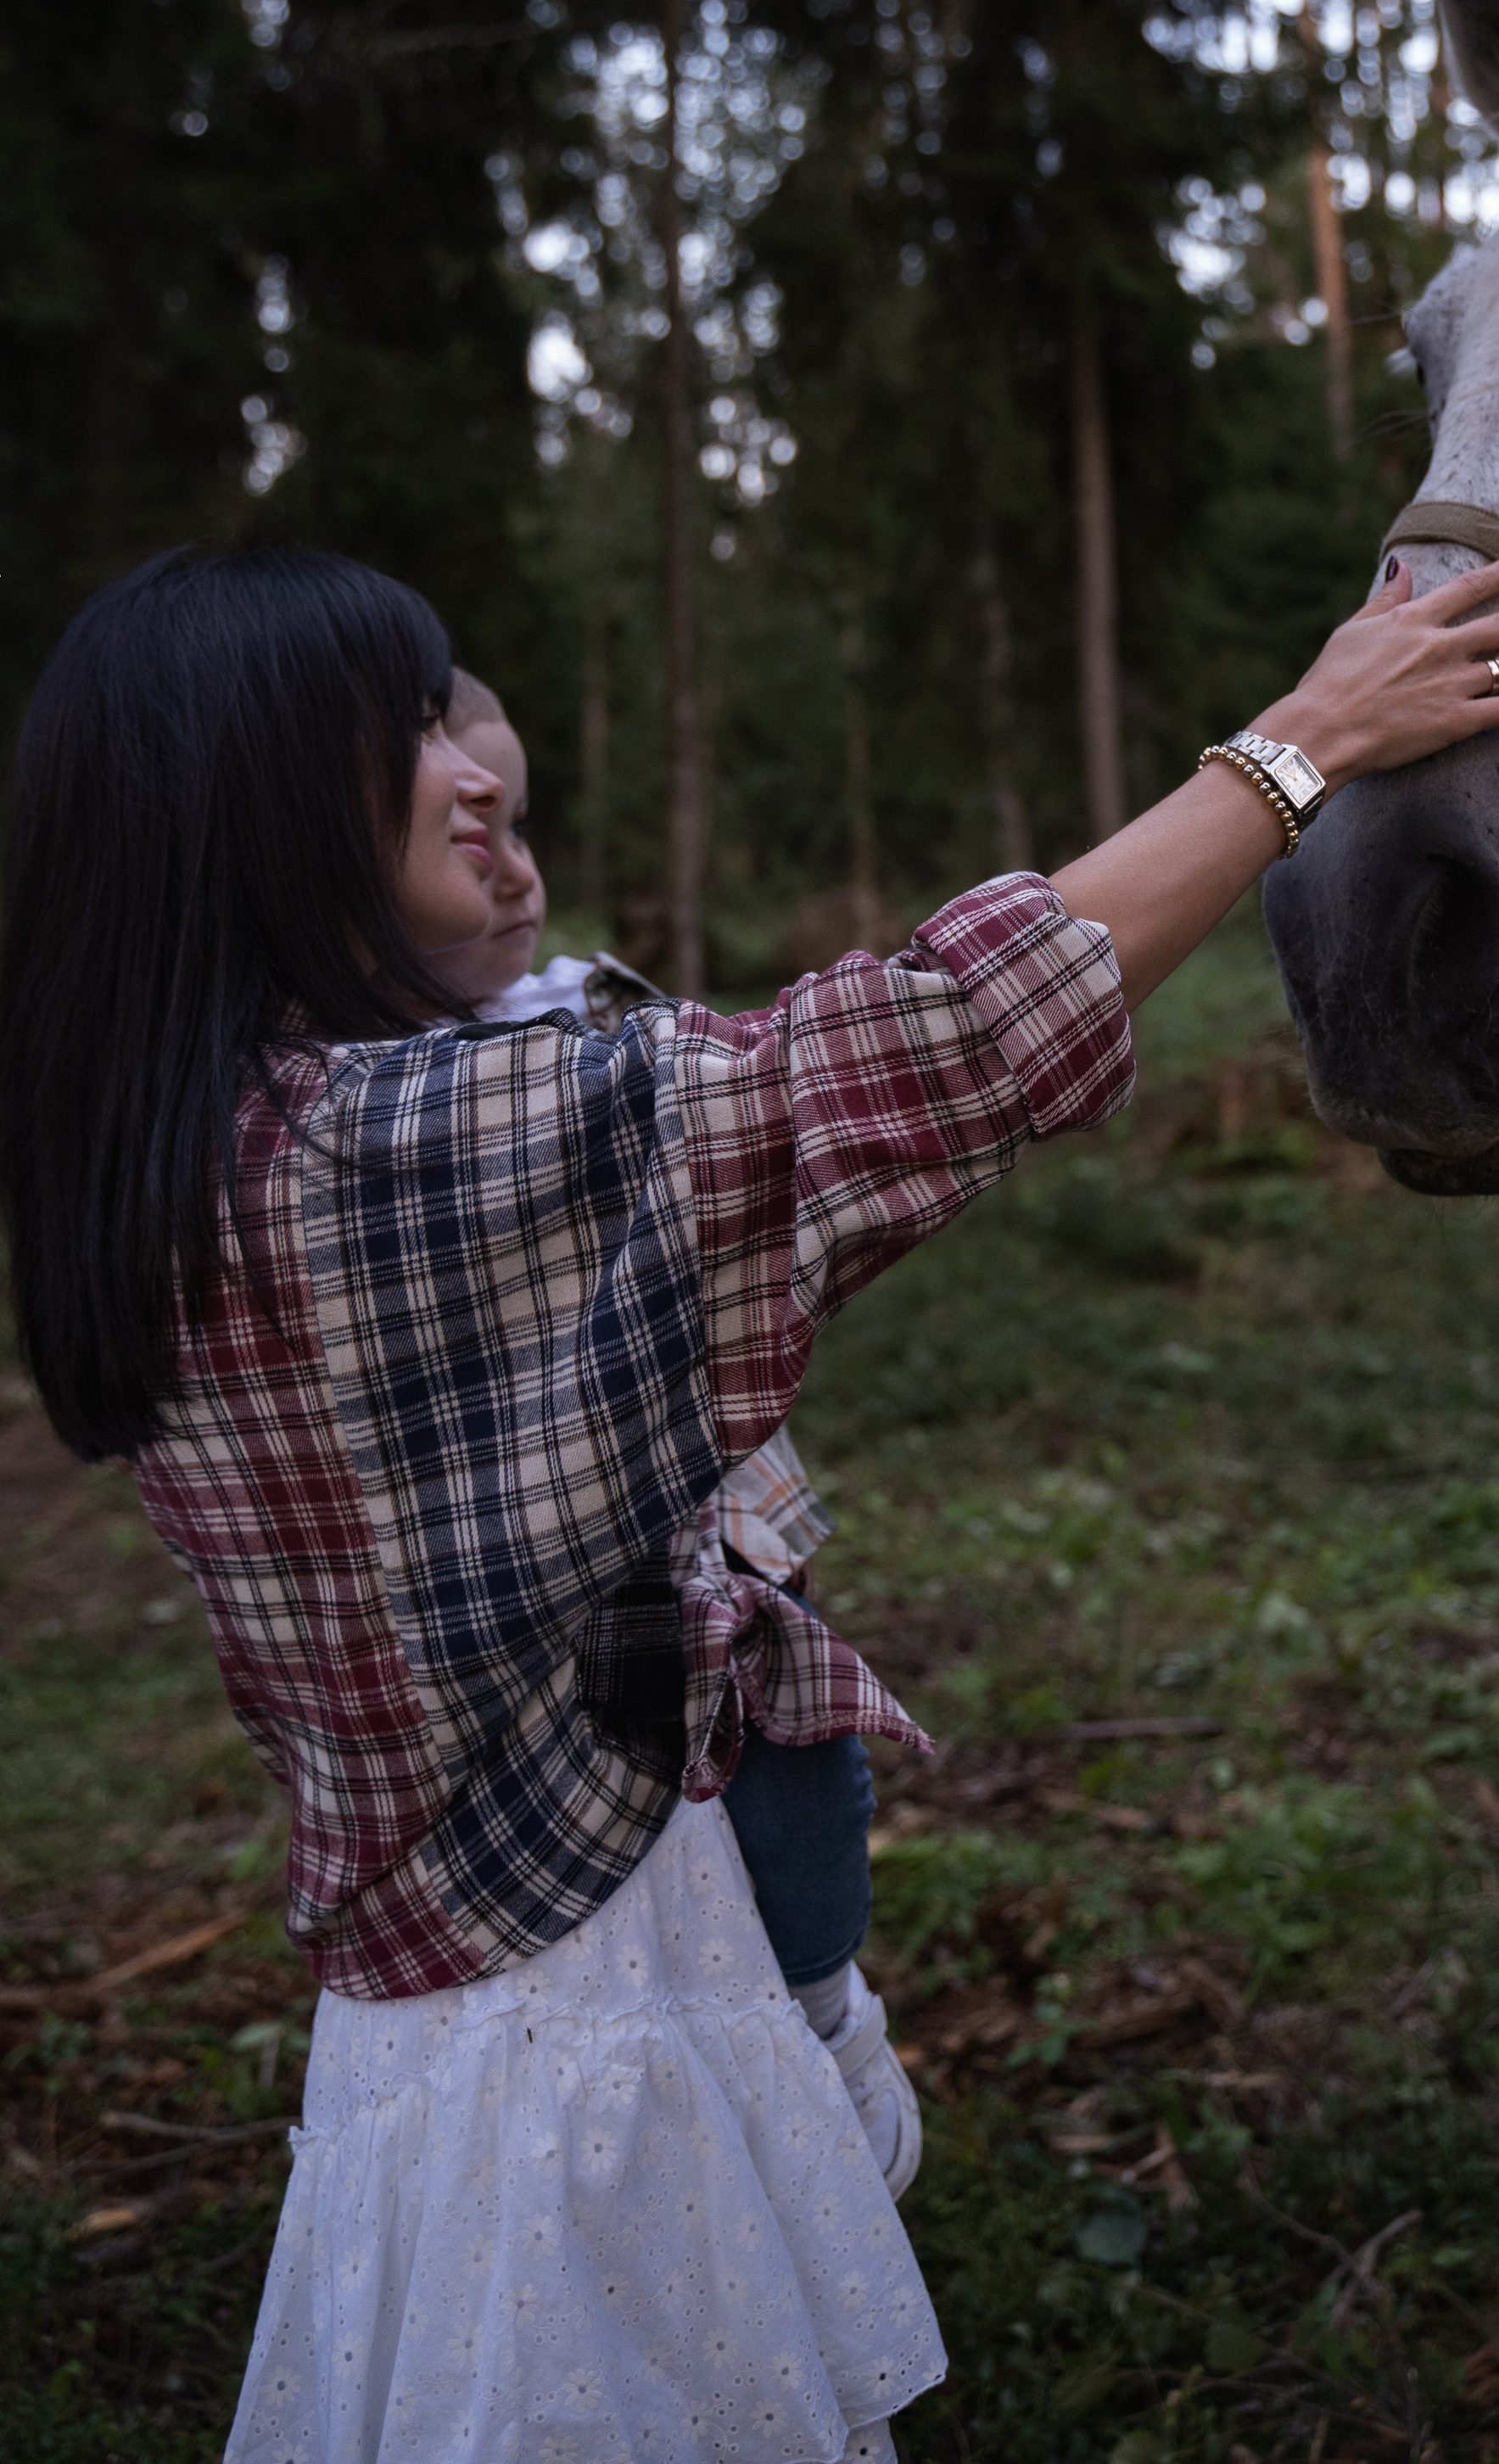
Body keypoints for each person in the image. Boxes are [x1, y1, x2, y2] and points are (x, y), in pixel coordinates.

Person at [0, 540, 1499, 2464]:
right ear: (241, 809)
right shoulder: (371, 1159)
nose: (476, 766)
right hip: (580, 2055)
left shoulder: (215, 1157)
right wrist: (1294, 751)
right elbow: (914, 1051)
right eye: (399, 729)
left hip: (466, 2029)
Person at [435, 664, 919, 2191]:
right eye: (472, 838)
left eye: (524, 825)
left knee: (796, 1759)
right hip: (540, 1583)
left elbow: (754, 1134)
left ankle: (824, 2005)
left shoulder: (593, 1020)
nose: (520, 872)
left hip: (709, 1527)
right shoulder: (357, 1103)